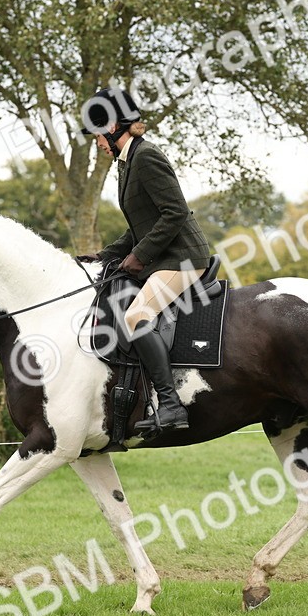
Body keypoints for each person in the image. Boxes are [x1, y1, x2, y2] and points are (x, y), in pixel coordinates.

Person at [77, 87, 212, 433]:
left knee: (137, 315)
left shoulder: (147, 156)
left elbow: (175, 213)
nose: (97, 144)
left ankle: (171, 405)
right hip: (165, 258)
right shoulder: (128, 161)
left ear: (112, 127)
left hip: (183, 257)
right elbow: (141, 225)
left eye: (97, 136)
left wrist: (140, 255)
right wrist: (106, 255)